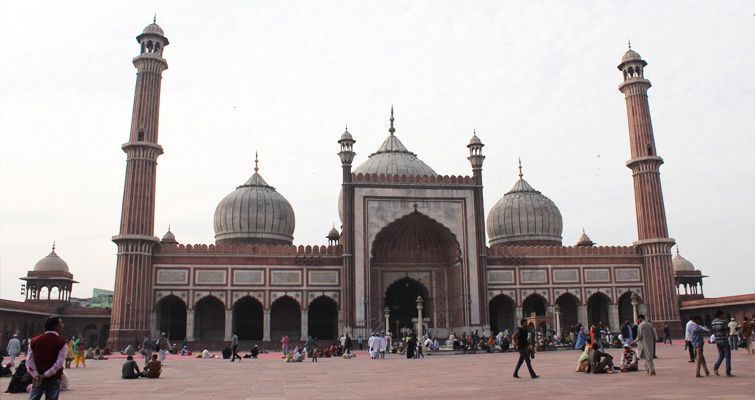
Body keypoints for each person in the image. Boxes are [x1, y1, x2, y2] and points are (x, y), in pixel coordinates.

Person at [26, 316, 67, 400]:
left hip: (38, 377)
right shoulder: (61, 342)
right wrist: (45, 375)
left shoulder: (34, 340)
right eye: (61, 323)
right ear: (56, 326)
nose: (63, 325)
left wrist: (36, 376)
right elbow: (59, 363)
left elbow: (29, 361)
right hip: (54, 377)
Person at [711, 310, 734, 377]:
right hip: (724, 340)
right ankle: (728, 372)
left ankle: (716, 366)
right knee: (727, 356)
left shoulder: (713, 322)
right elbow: (727, 331)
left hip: (717, 341)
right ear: (720, 315)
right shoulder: (723, 322)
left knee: (721, 355)